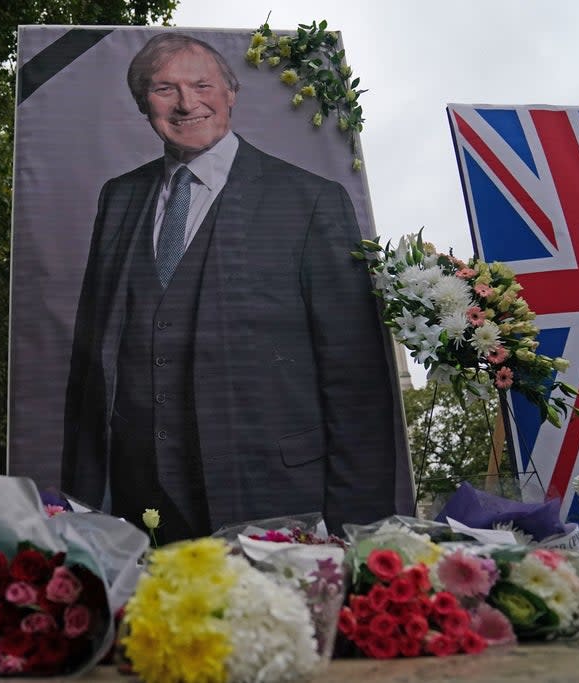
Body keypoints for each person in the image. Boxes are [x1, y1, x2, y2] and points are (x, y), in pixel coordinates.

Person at [61, 32, 410, 542]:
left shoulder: (310, 200)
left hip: (271, 497)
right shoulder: (118, 199)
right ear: (144, 105)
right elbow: (90, 363)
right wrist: (83, 502)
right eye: (164, 89)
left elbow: (356, 382)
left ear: (230, 94)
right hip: (135, 504)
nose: (186, 103)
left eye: (202, 85)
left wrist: (357, 531)